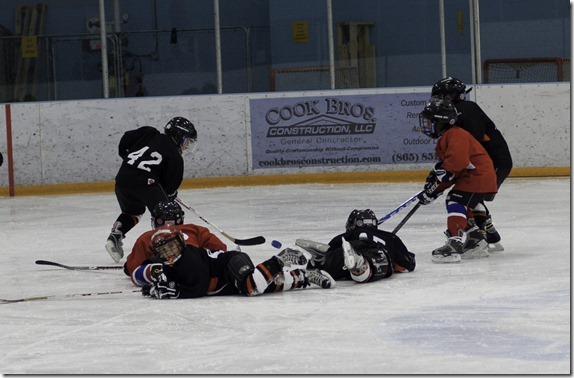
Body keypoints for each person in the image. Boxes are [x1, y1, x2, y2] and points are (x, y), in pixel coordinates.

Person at [132, 224, 335, 299]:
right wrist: (152, 288)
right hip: (225, 282)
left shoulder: (190, 257)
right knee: (268, 286)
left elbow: (199, 286)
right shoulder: (170, 263)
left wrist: (177, 292)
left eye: (172, 245)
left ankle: (281, 258)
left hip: (230, 262)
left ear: (180, 243)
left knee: (250, 286)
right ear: (158, 252)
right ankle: (305, 276)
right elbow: (149, 274)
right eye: (164, 248)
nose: (170, 250)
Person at [431, 77, 512, 250]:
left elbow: (470, 141)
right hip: (490, 161)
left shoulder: (465, 108)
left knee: (470, 194)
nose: (438, 100)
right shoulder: (457, 111)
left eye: (441, 96)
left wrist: (453, 171)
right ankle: (487, 234)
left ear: (450, 96)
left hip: (494, 161)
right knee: (471, 196)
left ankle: (480, 235)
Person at [105, 117, 198, 263]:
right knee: (167, 214)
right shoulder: (175, 158)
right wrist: (169, 196)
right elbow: (169, 191)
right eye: (186, 141)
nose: (186, 146)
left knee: (133, 211)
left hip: (123, 178)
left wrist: (129, 162)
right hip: (146, 184)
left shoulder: (148, 133)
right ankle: (163, 251)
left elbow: (126, 140)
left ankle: (116, 235)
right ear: (177, 136)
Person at [417, 97, 497, 263]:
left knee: (456, 200)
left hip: (478, 177)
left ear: (441, 121)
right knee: (458, 200)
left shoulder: (456, 134)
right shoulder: (449, 137)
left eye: (430, 121)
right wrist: (434, 188)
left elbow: (455, 165)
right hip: (474, 177)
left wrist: (436, 188)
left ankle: (455, 243)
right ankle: (475, 240)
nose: (427, 125)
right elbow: (451, 170)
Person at [295, 209, 416, 284]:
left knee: (334, 259)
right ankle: (361, 265)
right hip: (374, 250)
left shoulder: (343, 237)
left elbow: (332, 248)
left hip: (347, 248)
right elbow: (405, 264)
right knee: (379, 261)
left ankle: (318, 261)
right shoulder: (389, 237)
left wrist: (328, 256)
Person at [123, 200, 228, 277]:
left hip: (170, 275)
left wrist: (127, 267)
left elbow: (134, 268)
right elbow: (220, 250)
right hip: (199, 271)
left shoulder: (147, 237)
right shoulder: (196, 230)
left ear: (156, 221)